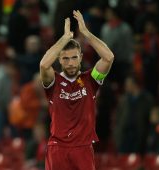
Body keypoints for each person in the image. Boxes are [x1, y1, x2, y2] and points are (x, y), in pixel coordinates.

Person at [39, 10, 114, 170]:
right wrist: (65, 38)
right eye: (65, 58)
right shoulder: (54, 82)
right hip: (57, 148)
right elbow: (44, 65)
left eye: (74, 57)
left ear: (80, 57)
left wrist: (85, 33)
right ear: (59, 59)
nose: (70, 63)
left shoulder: (91, 80)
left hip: (83, 148)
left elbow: (108, 57)